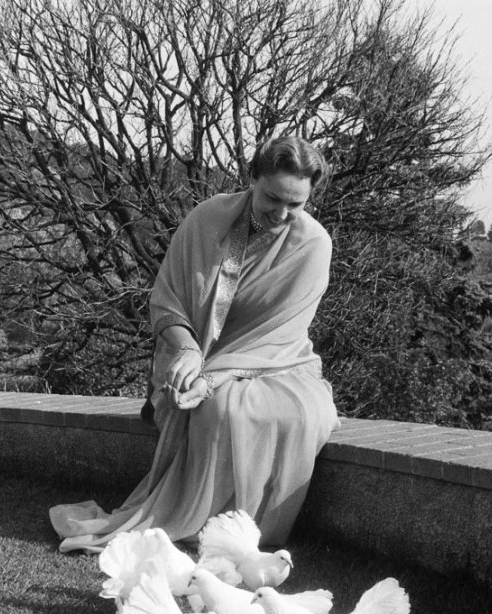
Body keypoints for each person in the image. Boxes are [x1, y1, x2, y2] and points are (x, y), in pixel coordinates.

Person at [50, 136, 340, 554]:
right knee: (217, 409)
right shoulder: (207, 218)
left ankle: (245, 536)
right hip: (192, 354)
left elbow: (279, 335)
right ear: (252, 178)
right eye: (272, 198)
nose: (281, 213)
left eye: (295, 204)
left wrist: (212, 378)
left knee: (295, 415)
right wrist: (187, 352)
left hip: (277, 362)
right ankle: (201, 525)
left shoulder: (314, 244)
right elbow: (167, 301)